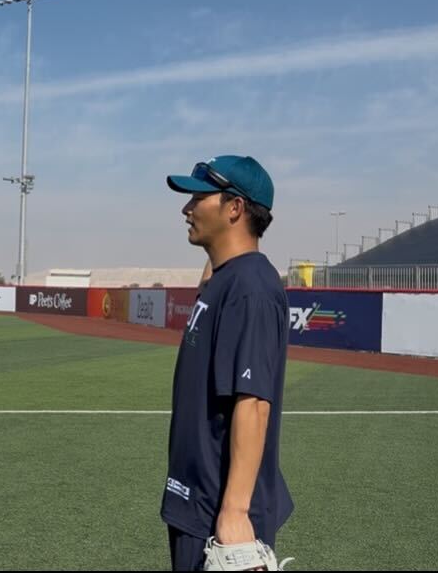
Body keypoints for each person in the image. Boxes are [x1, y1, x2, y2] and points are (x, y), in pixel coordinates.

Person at [161, 155, 293, 571]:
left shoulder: (250, 288)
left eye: (198, 198)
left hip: (218, 512)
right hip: (196, 498)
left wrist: (234, 513)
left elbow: (254, 402)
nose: (186, 209)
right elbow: (222, 267)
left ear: (234, 208)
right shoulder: (228, 278)